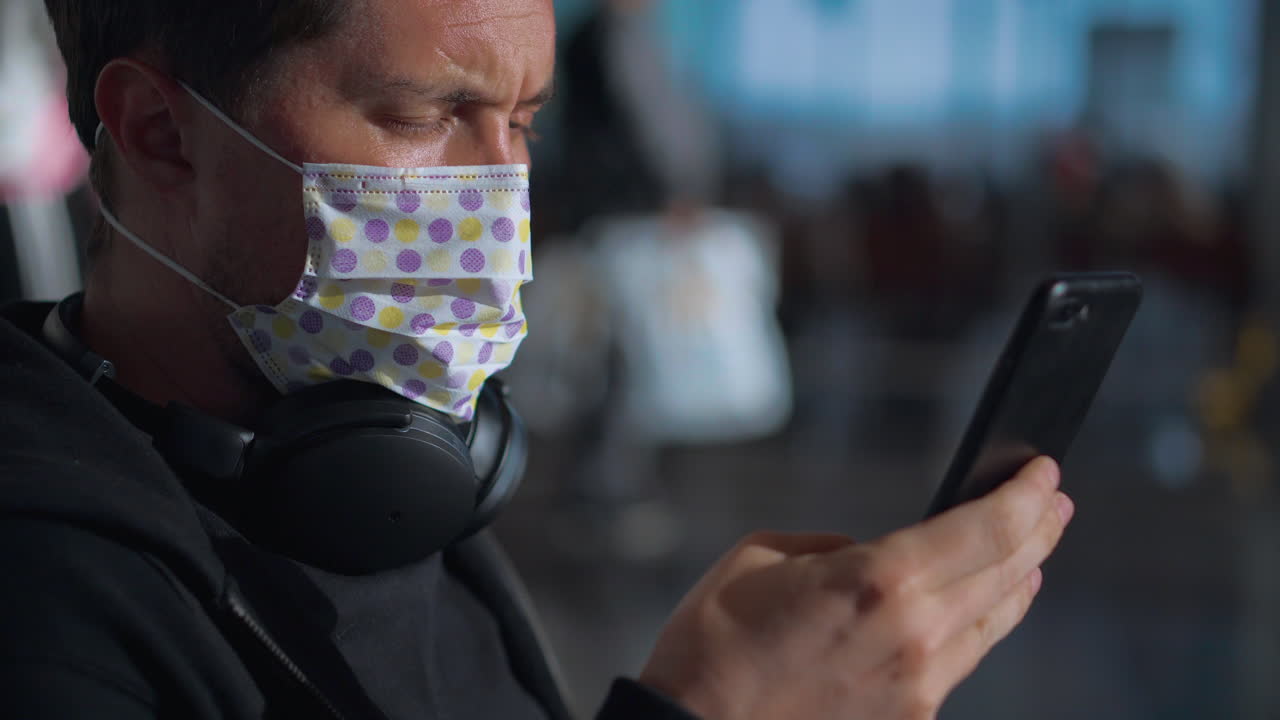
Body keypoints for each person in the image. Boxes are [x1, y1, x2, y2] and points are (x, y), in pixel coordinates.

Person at [0, 1, 1074, 718]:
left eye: (522, 122)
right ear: (158, 134)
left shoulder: (394, 495)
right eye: (429, 115)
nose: (501, 196)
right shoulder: (50, 598)